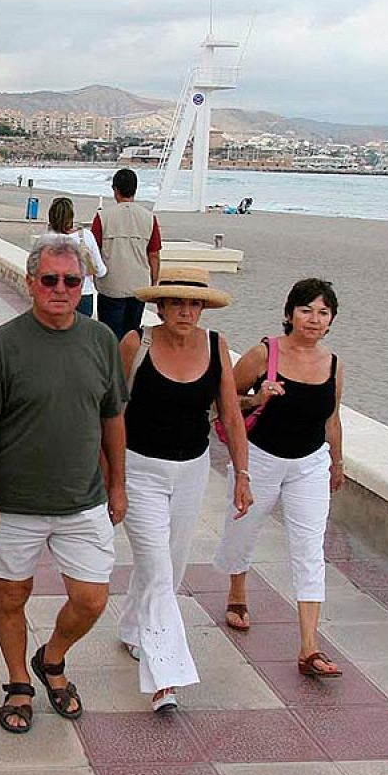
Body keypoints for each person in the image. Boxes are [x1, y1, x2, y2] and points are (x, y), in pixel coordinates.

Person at [0, 233, 128, 734]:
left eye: (71, 281)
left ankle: (51, 658)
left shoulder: (101, 340)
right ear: (31, 282)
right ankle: (18, 681)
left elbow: (113, 416)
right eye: (50, 279)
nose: (60, 289)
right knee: (11, 596)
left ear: (83, 285)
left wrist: (119, 484)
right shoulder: (2, 345)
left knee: (92, 598)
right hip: (14, 503)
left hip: (83, 499)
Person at [116, 268, 253, 712]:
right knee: (158, 568)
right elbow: (110, 413)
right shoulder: (135, 344)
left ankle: (132, 628)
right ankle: (165, 676)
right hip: (140, 470)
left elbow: (230, 414)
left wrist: (242, 474)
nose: (186, 311)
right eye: (176, 302)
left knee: (169, 564)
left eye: (194, 304)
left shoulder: (216, 346)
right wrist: (111, 478)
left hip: (192, 471)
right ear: (160, 306)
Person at [213, 278, 347, 678]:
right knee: (242, 529)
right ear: (289, 314)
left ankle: (309, 647)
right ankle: (237, 590)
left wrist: (337, 461)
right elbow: (224, 400)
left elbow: (332, 418)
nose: (314, 319)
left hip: (310, 463)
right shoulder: (263, 354)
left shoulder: (334, 364)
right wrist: (258, 397)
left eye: (323, 313)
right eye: (306, 310)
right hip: (260, 457)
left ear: (331, 321)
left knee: (309, 549)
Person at [95, 168, 163, 340]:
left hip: (111, 284)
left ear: (115, 189)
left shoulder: (103, 217)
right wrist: (153, 282)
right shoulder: (149, 218)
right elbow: (154, 254)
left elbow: (94, 250)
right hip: (139, 285)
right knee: (132, 334)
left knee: (110, 336)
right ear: (135, 189)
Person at [45, 197, 107, 319]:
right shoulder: (86, 236)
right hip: (83, 295)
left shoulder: (46, 240)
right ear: (71, 216)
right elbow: (101, 271)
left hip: (56, 295)